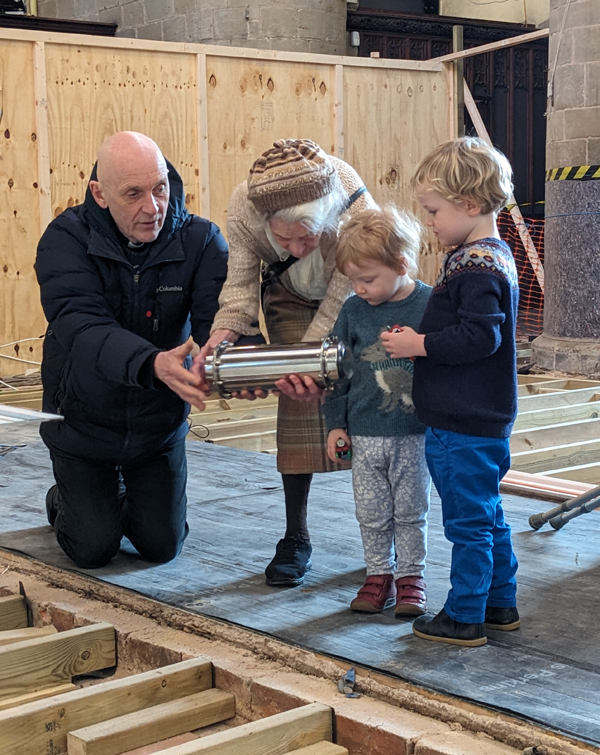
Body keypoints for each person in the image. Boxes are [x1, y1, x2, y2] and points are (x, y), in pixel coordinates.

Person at [35, 131, 228, 569]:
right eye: (133, 194)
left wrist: (230, 358)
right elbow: (83, 328)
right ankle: (65, 498)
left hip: (155, 429)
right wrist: (152, 363)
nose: (153, 206)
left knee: (161, 547)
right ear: (100, 195)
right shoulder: (64, 240)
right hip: (81, 423)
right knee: (92, 550)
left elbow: (220, 321)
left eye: (160, 188)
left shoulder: (200, 240)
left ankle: (115, 502)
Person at [200, 138, 376, 587]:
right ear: (265, 222)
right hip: (289, 294)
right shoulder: (244, 208)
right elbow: (239, 287)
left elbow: (347, 288)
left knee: (374, 405)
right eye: (284, 239)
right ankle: (295, 536)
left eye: (308, 237)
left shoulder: (351, 198)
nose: (297, 247)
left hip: (353, 287)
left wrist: (315, 356)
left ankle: (385, 537)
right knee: (297, 403)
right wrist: (222, 336)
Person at [381, 136, 520, 647]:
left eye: (435, 211)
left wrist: (419, 344)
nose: (431, 222)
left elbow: (482, 336)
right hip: (476, 420)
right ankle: (499, 603)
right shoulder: (489, 256)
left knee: (467, 523)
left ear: (471, 204)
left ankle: (464, 616)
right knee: (488, 515)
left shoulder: (475, 264)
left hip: (463, 425)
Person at [322, 206, 432, 615]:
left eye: (367, 279)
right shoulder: (352, 311)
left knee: (410, 511)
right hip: (365, 434)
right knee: (371, 513)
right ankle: (378, 575)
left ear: (401, 264)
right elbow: (336, 370)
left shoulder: (429, 304)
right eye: (353, 280)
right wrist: (336, 424)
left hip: (414, 434)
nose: (360, 288)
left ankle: (411, 578)